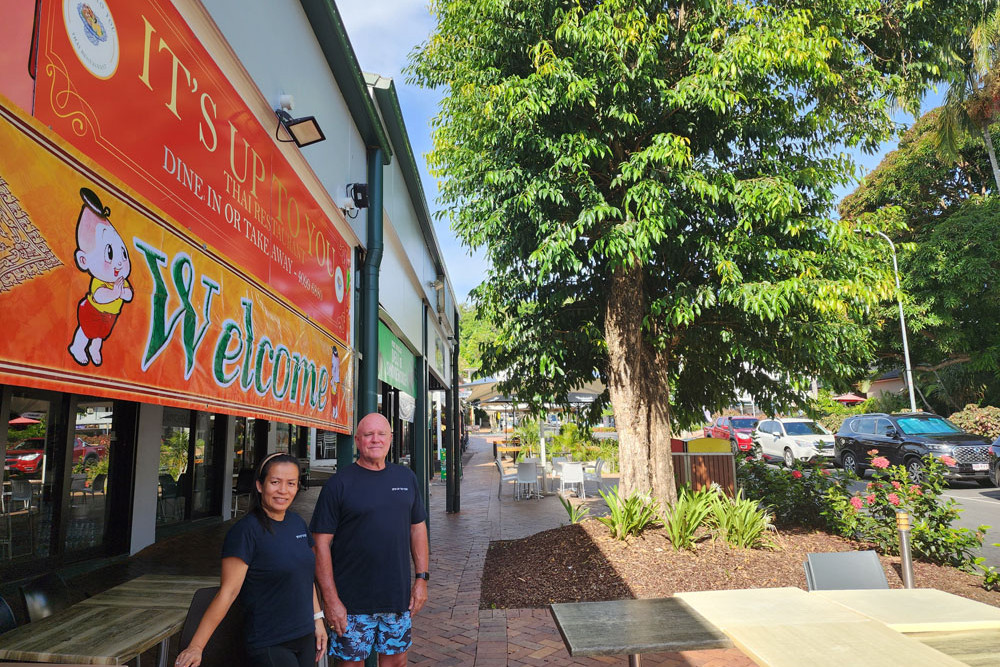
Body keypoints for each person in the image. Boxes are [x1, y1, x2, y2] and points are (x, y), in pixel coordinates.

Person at [176, 453, 327, 667]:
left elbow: (304, 577)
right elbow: (228, 592)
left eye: (291, 483)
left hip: (304, 636)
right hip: (270, 642)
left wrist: (317, 619)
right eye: (275, 482)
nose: (283, 490)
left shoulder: (297, 523)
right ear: (259, 485)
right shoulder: (245, 532)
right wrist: (196, 647)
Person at [311, 413, 429, 666]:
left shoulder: (406, 478)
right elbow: (319, 544)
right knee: (351, 664)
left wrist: (422, 578)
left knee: (396, 662)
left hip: (397, 598)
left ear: (391, 439)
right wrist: (331, 600)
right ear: (357, 440)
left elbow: (417, 529)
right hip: (351, 602)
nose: (375, 440)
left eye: (381, 434)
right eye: (368, 434)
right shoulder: (338, 484)